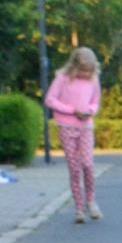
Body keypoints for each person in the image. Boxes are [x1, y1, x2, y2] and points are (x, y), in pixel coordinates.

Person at [44, 47, 102, 222]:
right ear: (74, 67)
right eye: (83, 71)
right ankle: (78, 207)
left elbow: (95, 102)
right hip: (66, 125)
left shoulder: (93, 80)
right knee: (74, 167)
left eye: (89, 71)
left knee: (87, 164)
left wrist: (90, 110)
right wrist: (71, 110)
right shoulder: (62, 78)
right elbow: (50, 99)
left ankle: (91, 201)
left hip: (85, 126)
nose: (86, 74)